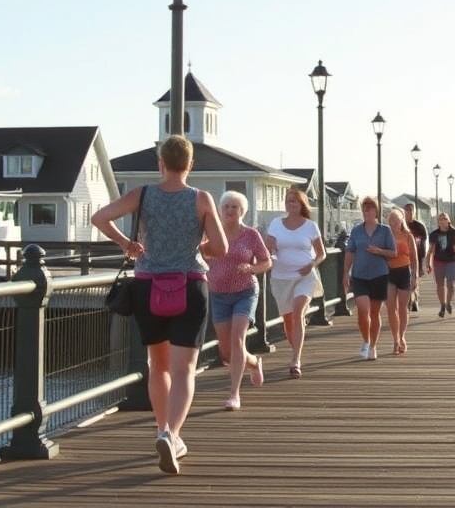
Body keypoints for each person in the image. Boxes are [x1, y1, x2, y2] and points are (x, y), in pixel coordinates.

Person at [91, 134, 226, 475]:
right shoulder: (201, 199)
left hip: (148, 287)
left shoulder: (143, 194)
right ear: (190, 165)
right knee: (184, 370)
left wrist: (128, 244)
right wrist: (200, 246)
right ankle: (172, 434)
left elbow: (100, 217)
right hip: (190, 286)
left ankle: (161, 427)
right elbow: (221, 248)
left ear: (161, 163)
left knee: (158, 366)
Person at [206, 190, 272, 411]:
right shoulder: (212, 233)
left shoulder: (251, 235)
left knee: (237, 341)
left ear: (242, 211)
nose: (230, 211)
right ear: (220, 210)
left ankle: (234, 394)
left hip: (245, 291)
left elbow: (266, 261)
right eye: (226, 207)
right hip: (218, 294)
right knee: (225, 350)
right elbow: (198, 254)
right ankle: (254, 362)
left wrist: (252, 268)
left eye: (235, 207)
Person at [265, 187, 327, 378]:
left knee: (298, 311)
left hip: (304, 276)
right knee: (288, 319)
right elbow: (269, 246)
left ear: (301, 205)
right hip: (281, 277)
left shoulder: (310, 226)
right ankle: (296, 349)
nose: (290, 204)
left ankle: (295, 358)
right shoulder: (276, 224)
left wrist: (312, 264)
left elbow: (321, 253)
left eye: (294, 201)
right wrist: (271, 252)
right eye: (288, 200)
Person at [343, 196, 396, 361]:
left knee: (374, 312)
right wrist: (345, 273)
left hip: (379, 274)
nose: (366, 211)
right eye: (364, 209)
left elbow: (393, 253)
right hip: (359, 275)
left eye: (370, 208)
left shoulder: (385, 230)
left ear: (376, 211)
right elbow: (350, 251)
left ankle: (372, 346)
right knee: (363, 309)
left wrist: (379, 251)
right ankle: (366, 340)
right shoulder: (357, 231)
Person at [385, 208, 419, 354]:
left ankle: (402, 335)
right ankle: (395, 340)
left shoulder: (408, 236)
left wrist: (415, 275)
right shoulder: (385, 236)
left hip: (404, 272)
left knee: (403, 308)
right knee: (391, 308)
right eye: (390, 220)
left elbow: (414, 257)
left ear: (401, 220)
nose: (393, 222)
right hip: (389, 273)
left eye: (396, 219)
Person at [426, 211, 455, 317]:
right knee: (440, 285)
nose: (443, 221)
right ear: (438, 222)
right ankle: (442, 305)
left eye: (445, 219)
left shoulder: (454, 233)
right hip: (438, 262)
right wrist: (428, 263)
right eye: (441, 219)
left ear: (449, 221)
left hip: (451, 261)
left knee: (451, 284)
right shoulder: (434, 234)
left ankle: (449, 302)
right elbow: (431, 250)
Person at [404, 202, 427, 312]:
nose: (408, 212)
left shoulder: (420, 227)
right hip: (403, 258)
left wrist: (422, 264)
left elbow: (422, 246)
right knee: (405, 281)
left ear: (414, 212)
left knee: (414, 280)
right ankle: (408, 302)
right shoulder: (400, 225)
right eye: (406, 210)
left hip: (416, 257)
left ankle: (414, 299)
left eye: (410, 210)